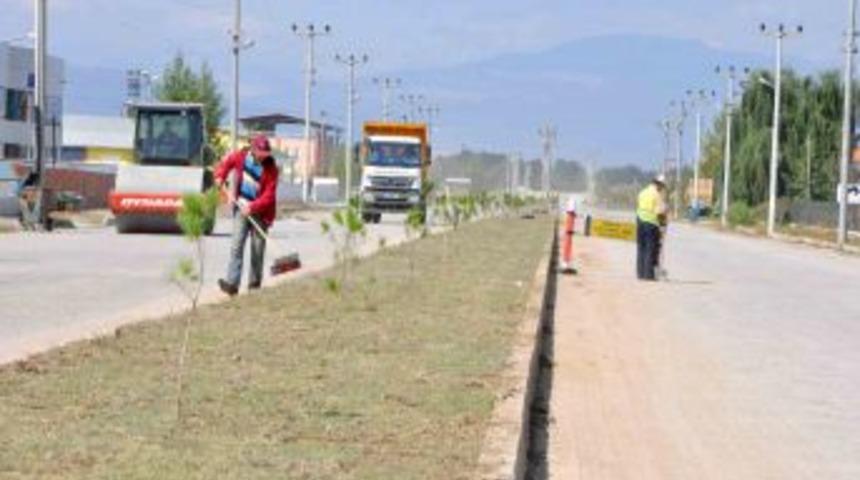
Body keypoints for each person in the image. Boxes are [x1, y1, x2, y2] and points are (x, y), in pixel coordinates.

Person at [215, 135, 279, 296]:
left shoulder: (272, 169)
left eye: (267, 153)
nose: (264, 156)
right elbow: (227, 163)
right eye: (261, 153)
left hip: (261, 212)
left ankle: (254, 285)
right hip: (240, 208)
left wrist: (252, 206)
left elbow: (269, 196)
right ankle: (232, 284)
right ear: (254, 149)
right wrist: (220, 176)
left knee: (257, 250)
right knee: (236, 246)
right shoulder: (242, 156)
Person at [636, 174, 668, 280]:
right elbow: (660, 212)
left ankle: (640, 274)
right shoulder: (657, 195)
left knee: (641, 248)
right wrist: (663, 225)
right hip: (651, 224)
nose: (662, 188)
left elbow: (639, 207)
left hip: (640, 222)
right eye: (662, 186)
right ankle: (648, 275)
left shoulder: (643, 192)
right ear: (659, 185)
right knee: (651, 248)